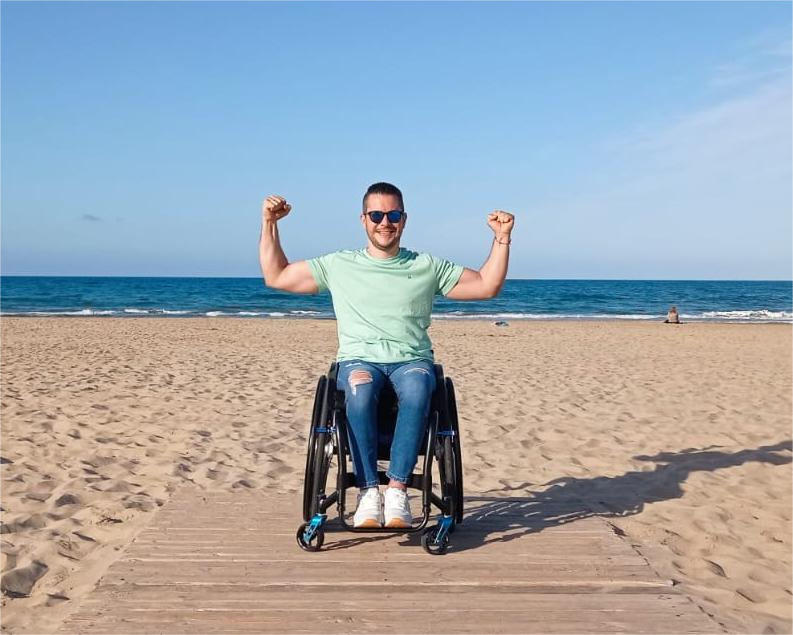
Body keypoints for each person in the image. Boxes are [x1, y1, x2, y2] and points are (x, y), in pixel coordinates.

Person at [259, 182, 514, 528]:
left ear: (404, 219)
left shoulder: (426, 265)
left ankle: (396, 490)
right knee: (360, 391)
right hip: (359, 359)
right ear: (363, 219)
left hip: (411, 361)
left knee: (418, 389)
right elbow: (276, 276)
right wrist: (270, 223)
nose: (385, 222)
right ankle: (367, 492)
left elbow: (487, 285)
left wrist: (501, 239)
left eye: (393, 215)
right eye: (377, 215)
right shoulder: (339, 264)